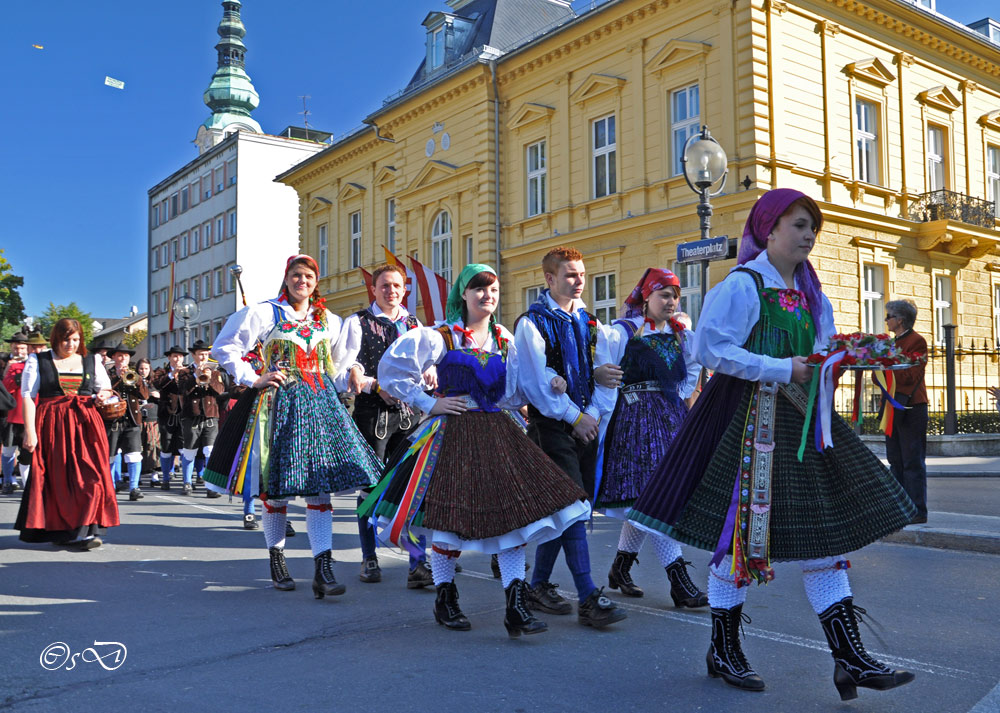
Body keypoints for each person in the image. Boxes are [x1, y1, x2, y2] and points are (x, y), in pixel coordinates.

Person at [626, 189, 916, 699]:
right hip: (745, 424)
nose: (808, 235)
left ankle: (850, 658)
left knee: (824, 538)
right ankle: (724, 647)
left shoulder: (811, 292)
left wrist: (847, 357)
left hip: (801, 422)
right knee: (740, 538)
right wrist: (783, 367)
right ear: (769, 228)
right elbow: (710, 347)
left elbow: (820, 349)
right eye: (800, 225)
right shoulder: (742, 285)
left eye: (812, 228)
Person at [363, 263, 591, 636]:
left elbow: (518, 390)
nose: (488, 295)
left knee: (512, 522)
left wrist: (550, 383)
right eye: (479, 289)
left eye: (494, 290)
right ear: (463, 295)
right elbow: (392, 370)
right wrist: (429, 402)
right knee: (450, 524)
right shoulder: (441, 336)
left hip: (498, 432)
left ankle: (515, 605)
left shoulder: (505, 338)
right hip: (452, 434)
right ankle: (446, 596)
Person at [207, 254, 382, 598]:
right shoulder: (264, 312)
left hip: (320, 407)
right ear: (286, 278)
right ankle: (277, 559)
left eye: (309, 277)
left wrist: (357, 376)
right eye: (297, 275)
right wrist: (253, 377)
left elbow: (339, 368)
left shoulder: (329, 320)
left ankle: (323, 568)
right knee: (277, 489)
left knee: (321, 489)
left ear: (317, 282)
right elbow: (224, 347)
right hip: (279, 406)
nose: (303, 281)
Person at [514, 246, 626, 629]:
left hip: (585, 423)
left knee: (562, 509)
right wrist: (575, 415)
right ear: (549, 279)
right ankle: (588, 594)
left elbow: (607, 374)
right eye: (570, 275)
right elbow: (535, 382)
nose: (579, 282)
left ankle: (538, 584)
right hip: (552, 426)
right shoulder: (533, 323)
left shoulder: (592, 324)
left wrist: (593, 414)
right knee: (572, 504)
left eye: (581, 274)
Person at [593, 268, 707, 607]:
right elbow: (603, 369)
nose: (671, 301)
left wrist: (681, 395)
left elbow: (694, 365)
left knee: (649, 500)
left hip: (671, 419)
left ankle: (620, 569)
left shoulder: (681, 333)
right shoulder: (623, 331)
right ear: (647, 297)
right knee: (653, 498)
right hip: (636, 422)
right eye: (664, 294)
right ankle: (679, 581)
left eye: (674, 295)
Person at [335, 262, 433, 587]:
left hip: (409, 415)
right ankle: (369, 557)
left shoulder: (415, 324)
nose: (392, 291)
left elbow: (426, 365)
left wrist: (430, 374)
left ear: (405, 289)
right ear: (374, 289)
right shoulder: (357, 322)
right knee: (369, 485)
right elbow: (342, 370)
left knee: (414, 484)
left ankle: (418, 562)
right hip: (372, 414)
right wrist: (369, 381)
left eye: (397, 285)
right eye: (385, 286)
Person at [14, 319, 119, 550]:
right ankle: (62, 531)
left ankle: (87, 530)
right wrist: (30, 432)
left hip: (86, 425)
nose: (71, 344)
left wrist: (103, 395)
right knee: (57, 480)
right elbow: (28, 397)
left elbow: (107, 388)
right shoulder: (38, 360)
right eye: (66, 339)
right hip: (52, 425)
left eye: (75, 339)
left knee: (92, 478)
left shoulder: (92, 361)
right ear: (56, 339)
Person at [883, 300, 928, 524]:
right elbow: (879, 376)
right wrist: (881, 368)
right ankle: (900, 508)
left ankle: (917, 510)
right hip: (892, 405)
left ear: (900, 319)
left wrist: (886, 368)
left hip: (912, 406)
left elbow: (910, 375)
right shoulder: (892, 343)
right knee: (895, 459)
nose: (886, 320)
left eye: (888, 316)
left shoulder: (917, 341)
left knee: (912, 460)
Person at [177, 340, 226, 497]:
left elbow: (220, 391)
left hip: (211, 416)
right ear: (194, 355)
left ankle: (210, 486)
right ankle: (187, 483)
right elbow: (183, 390)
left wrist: (210, 378)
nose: (204, 357)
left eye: (206, 354)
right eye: (200, 354)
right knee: (189, 451)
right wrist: (195, 377)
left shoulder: (215, 372)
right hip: (191, 416)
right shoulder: (185, 372)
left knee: (210, 451)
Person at [105, 343, 149, 501]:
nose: (123, 358)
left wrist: (135, 379)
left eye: (126, 356)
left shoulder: (134, 375)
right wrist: (118, 377)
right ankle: (110, 487)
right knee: (110, 455)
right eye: (119, 355)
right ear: (114, 357)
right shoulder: (107, 375)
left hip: (131, 419)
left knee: (134, 454)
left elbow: (144, 395)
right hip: (112, 421)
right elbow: (104, 391)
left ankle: (134, 487)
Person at [152, 346, 187, 490]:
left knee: (185, 447)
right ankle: (165, 478)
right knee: (166, 447)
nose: (177, 359)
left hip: (184, 414)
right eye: (174, 356)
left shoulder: (188, 373)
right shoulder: (162, 372)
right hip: (167, 415)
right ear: (169, 358)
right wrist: (172, 374)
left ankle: (186, 481)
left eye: (179, 356)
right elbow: (157, 384)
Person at [2, 334, 31, 494]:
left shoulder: (34, 364)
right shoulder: (10, 365)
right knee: (8, 448)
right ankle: (8, 480)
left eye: (22, 347)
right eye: (16, 347)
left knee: (27, 451)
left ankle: (28, 485)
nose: (19, 350)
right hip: (11, 415)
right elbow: (6, 389)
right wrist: (11, 371)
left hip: (29, 415)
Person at [135, 358, 161, 485]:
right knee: (138, 447)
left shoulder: (154, 383)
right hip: (138, 418)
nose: (143, 371)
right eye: (141, 368)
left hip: (152, 418)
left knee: (153, 446)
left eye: (145, 368)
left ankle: (154, 476)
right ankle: (137, 476)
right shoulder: (133, 381)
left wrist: (157, 395)